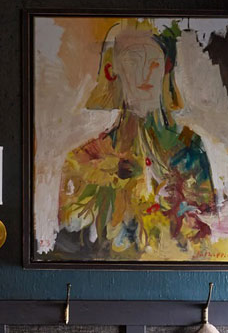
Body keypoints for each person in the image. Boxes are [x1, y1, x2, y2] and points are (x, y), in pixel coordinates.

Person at [58, 19, 219, 258]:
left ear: (166, 67)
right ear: (112, 70)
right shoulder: (84, 158)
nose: (145, 73)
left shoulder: (190, 150)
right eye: (134, 62)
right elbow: (68, 244)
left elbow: (203, 240)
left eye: (154, 63)